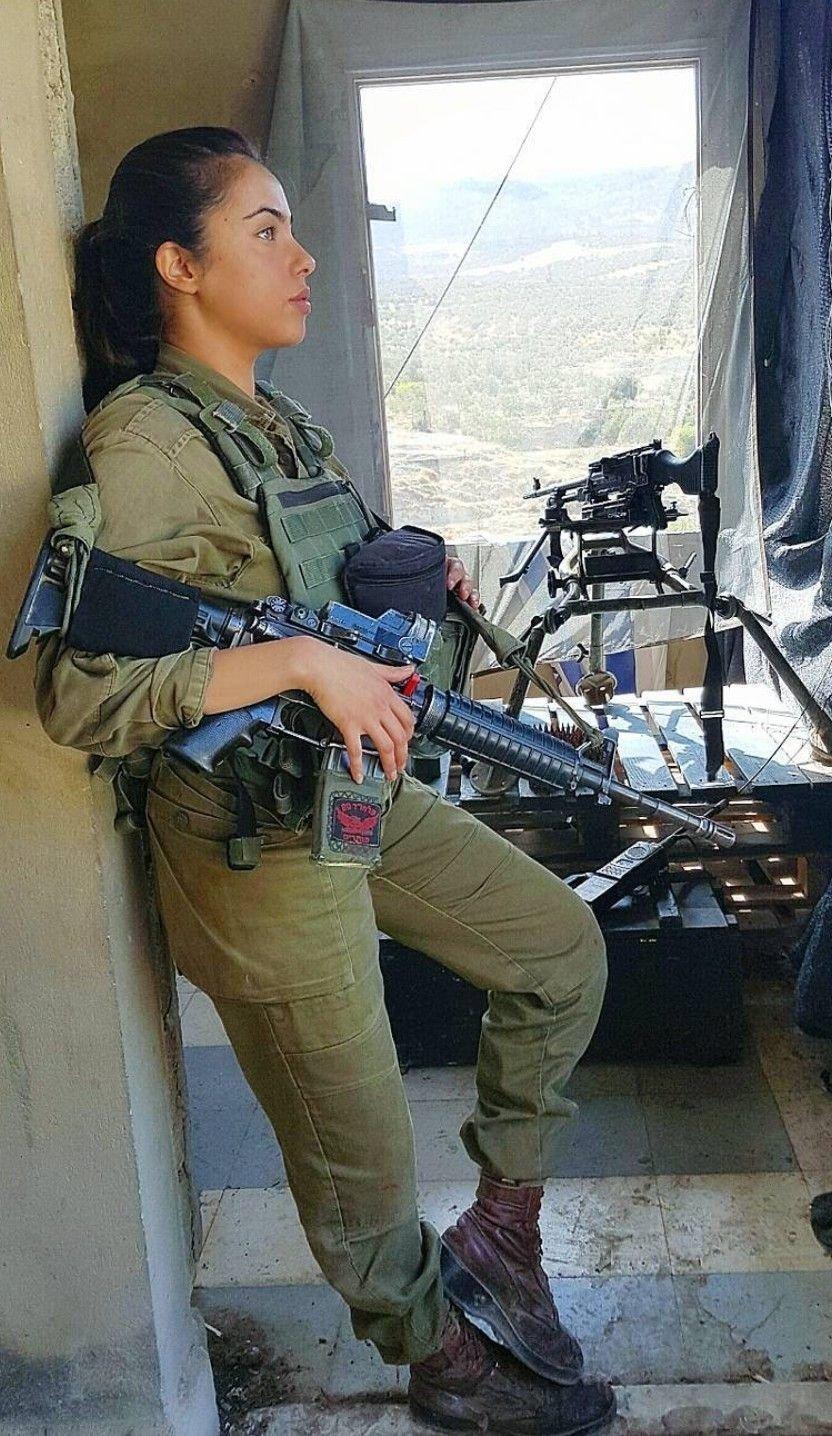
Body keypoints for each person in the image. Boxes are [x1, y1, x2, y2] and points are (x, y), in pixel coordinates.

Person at [34, 127, 615, 1435]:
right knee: (362, 1151)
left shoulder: (275, 423)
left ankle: (503, 1232)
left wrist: (413, 590)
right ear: (180, 265)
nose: (301, 258)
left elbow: (325, 607)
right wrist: (295, 660)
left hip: (351, 793)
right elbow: (78, 694)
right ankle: (442, 1362)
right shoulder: (143, 446)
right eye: (266, 231)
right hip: (257, 846)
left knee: (559, 950)